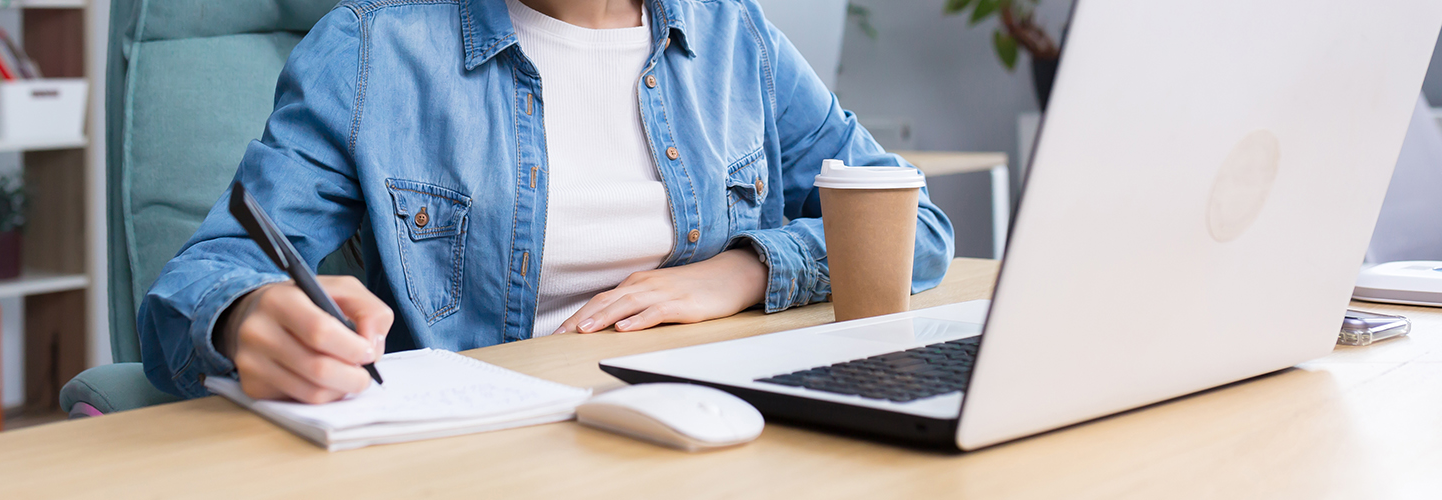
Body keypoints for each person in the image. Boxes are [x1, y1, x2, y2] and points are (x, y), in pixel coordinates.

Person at [137, 0, 955, 403]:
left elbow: (913, 225)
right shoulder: (375, 47)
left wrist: (746, 268)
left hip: (718, 428)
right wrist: (249, 316)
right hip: (493, 455)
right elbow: (204, 278)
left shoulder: (737, 38)